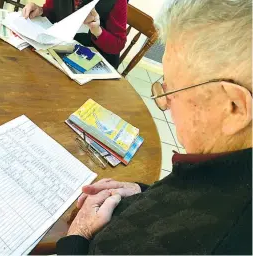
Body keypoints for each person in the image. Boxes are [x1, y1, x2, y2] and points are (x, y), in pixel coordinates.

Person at [56, 0, 252, 254]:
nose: (166, 103)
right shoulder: (228, 167)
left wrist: (77, 236)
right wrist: (141, 192)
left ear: (233, 107)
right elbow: (192, 192)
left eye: (170, 90)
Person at [22, 0, 127, 68]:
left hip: (94, 63)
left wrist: (97, 31)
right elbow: (53, 12)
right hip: (61, 52)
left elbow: (118, 44)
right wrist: (40, 10)